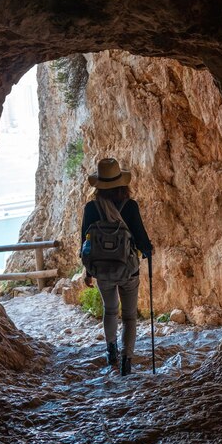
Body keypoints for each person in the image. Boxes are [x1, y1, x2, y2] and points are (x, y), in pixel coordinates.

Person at [81, 158, 152, 376]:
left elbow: (85, 242)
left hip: (102, 270)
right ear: (122, 183)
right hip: (128, 270)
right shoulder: (130, 206)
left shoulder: (92, 208)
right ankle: (126, 361)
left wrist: (87, 270)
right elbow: (141, 239)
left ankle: (111, 350)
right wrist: (148, 250)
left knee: (110, 310)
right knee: (129, 316)